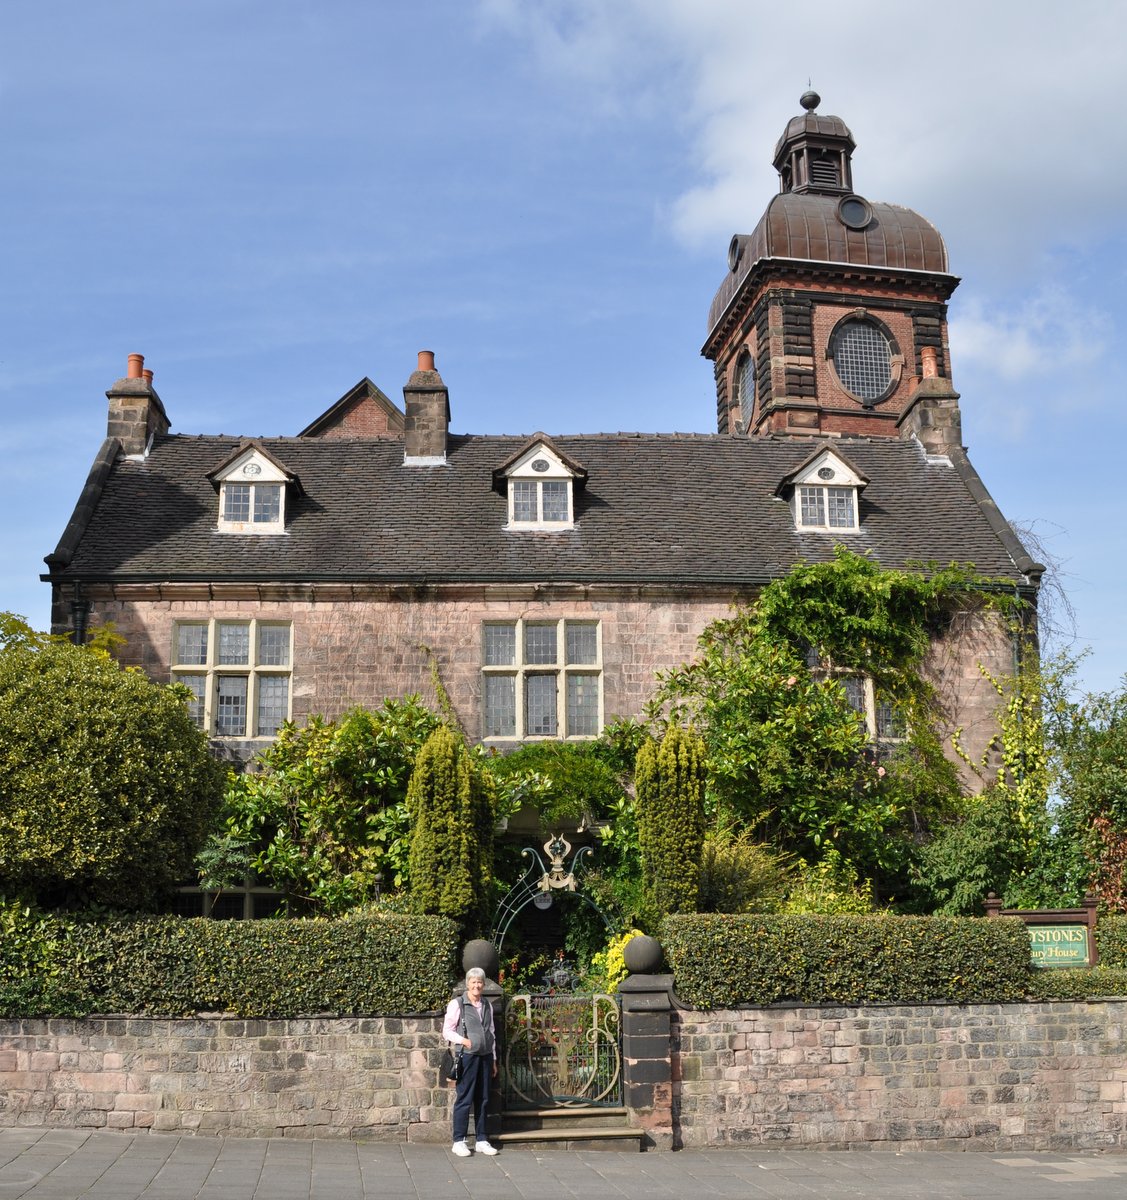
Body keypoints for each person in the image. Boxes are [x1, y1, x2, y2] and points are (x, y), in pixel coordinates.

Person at [442, 966, 499, 1156]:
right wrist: (463, 1041)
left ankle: (482, 1139)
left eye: (480, 982)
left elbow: (491, 1033)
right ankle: (459, 1141)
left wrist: (494, 1060)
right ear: (467, 984)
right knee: (464, 1099)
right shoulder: (458, 1004)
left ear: (483, 985)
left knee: (483, 1099)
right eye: (473, 982)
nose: (477, 985)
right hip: (467, 1057)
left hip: (485, 1057)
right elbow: (447, 1031)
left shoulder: (487, 1005)